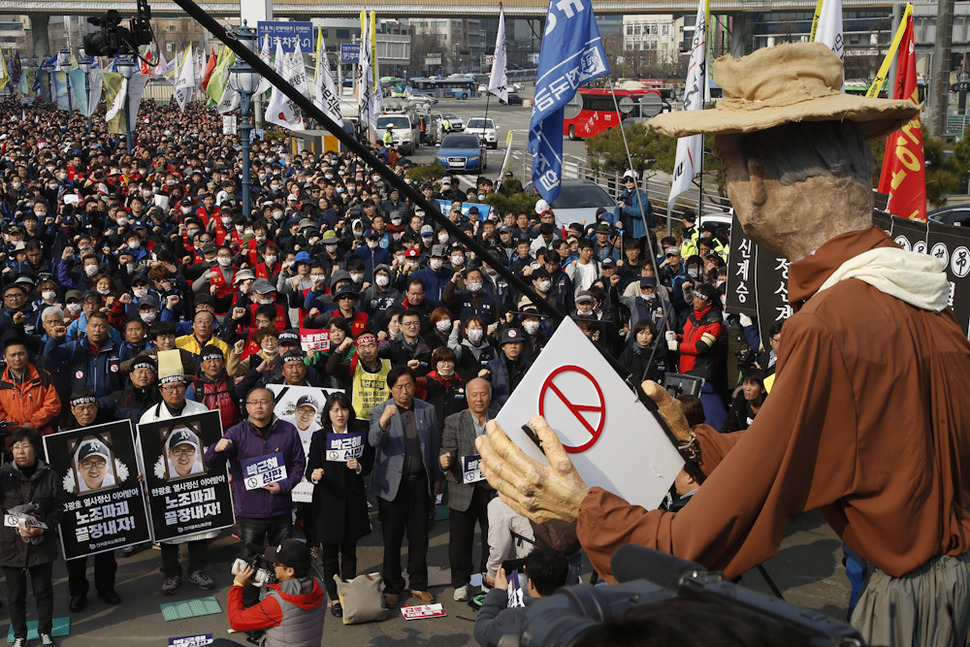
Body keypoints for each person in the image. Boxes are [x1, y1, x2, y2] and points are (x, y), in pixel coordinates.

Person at [477, 43, 970, 647]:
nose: (732, 188)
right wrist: (693, 442)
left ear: (757, 181)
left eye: (730, 168)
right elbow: (816, 445)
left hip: (913, 615)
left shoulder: (831, 323)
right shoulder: (912, 290)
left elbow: (691, 548)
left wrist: (582, 508)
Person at [205, 386, 306, 606]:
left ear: (273, 405)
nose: (259, 406)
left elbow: (299, 464)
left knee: (284, 561)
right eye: (253, 402)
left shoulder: (288, 431)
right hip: (250, 511)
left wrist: (284, 486)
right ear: (247, 407)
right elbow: (211, 463)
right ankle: (249, 608)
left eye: (264, 401)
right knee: (250, 562)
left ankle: (285, 605)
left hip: (280, 507)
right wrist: (216, 449)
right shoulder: (235, 432)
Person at [368, 365, 443, 607]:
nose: (404, 391)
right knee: (392, 539)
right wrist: (384, 420)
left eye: (408, 385)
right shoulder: (380, 410)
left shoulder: (427, 410)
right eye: (399, 387)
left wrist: (437, 476)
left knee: (419, 537)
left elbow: (433, 447)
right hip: (392, 486)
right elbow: (373, 441)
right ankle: (393, 586)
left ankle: (418, 584)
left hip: (420, 483)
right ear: (391, 388)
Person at [139, 361, 214, 595]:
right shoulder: (149, 417)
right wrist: (145, 477)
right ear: (161, 390)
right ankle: (171, 573)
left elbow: (213, 442)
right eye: (169, 387)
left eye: (179, 386)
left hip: (197, 476)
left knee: (199, 521)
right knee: (168, 527)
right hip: (165, 480)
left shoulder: (200, 409)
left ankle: (197, 569)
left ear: (186, 388)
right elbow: (143, 451)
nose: (175, 391)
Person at [306, 392, 374, 617]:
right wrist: (315, 474)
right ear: (328, 414)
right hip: (327, 502)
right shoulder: (319, 437)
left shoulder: (359, 434)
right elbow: (310, 471)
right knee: (329, 554)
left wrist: (359, 466)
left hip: (352, 501)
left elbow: (369, 464)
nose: (339, 414)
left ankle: (349, 593)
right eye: (334, 410)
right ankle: (334, 596)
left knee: (350, 552)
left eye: (343, 409)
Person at [0, 428, 65, 647]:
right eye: (16, 446)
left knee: (43, 592)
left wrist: (43, 528)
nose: (20, 451)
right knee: (15, 596)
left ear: (36, 450)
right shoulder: (3, 474)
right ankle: (20, 635)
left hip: (41, 546)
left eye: (25, 446)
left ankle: (45, 631)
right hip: (10, 546)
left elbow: (58, 507)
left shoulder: (49, 475)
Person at [62, 391, 122, 612]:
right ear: (72, 409)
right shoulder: (62, 437)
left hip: (106, 501)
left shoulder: (110, 432)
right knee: (77, 552)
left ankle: (106, 588)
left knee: (106, 548)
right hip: (76, 505)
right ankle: (78, 592)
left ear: (97, 408)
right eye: (81, 408)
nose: (86, 412)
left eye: (90, 407)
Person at [440, 378, 494, 601]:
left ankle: (489, 579)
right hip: (463, 486)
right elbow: (448, 449)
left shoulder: (500, 419)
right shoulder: (454, 420)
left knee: (494, 537)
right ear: (467, 397)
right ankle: (460, 582)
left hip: (492, 487)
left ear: (489, 395)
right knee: (460, 540)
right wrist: (445, 460)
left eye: (483, 394)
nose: (479, 399)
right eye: (474, 394)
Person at [219, 539, 325, 647]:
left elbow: (236, 621)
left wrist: (238, 585)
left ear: (290, 571)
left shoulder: (278, 602)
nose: (273, 565)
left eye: (276, 563)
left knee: (219, 644)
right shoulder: (319, 586)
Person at [473, 546, 570, 647]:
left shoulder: (512, 617)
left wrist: (498, 591)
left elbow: (481, 631)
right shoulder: (579, 612)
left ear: (531, 583)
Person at [0, 336, 61, 438]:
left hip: (41, 434)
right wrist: (15, 426)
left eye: (21, 354)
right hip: (12, 438)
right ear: (4, 357)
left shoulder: (43, 376)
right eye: (12, 355)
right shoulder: (1, 382)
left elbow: (53, 406)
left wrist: (31, 424)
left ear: (27, 355)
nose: (17, 359)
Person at [722, 368, 767, 434]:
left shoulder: (769, 407)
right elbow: (728, 427)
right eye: (745, 383)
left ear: (763, 389)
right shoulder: (740, 401)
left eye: (753, 384)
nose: (748, 389)